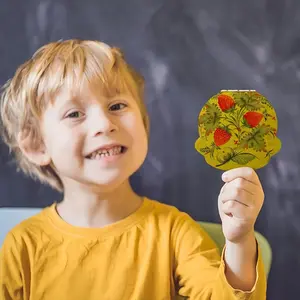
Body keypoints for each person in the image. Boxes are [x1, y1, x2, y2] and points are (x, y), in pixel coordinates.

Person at [0, 39, 266, 300]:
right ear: (36, 145)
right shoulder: (23, 246)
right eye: (74, 114)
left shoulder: (174, 232)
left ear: (143, 122)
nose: (104, 124)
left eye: (117, 106)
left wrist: (240, 240)